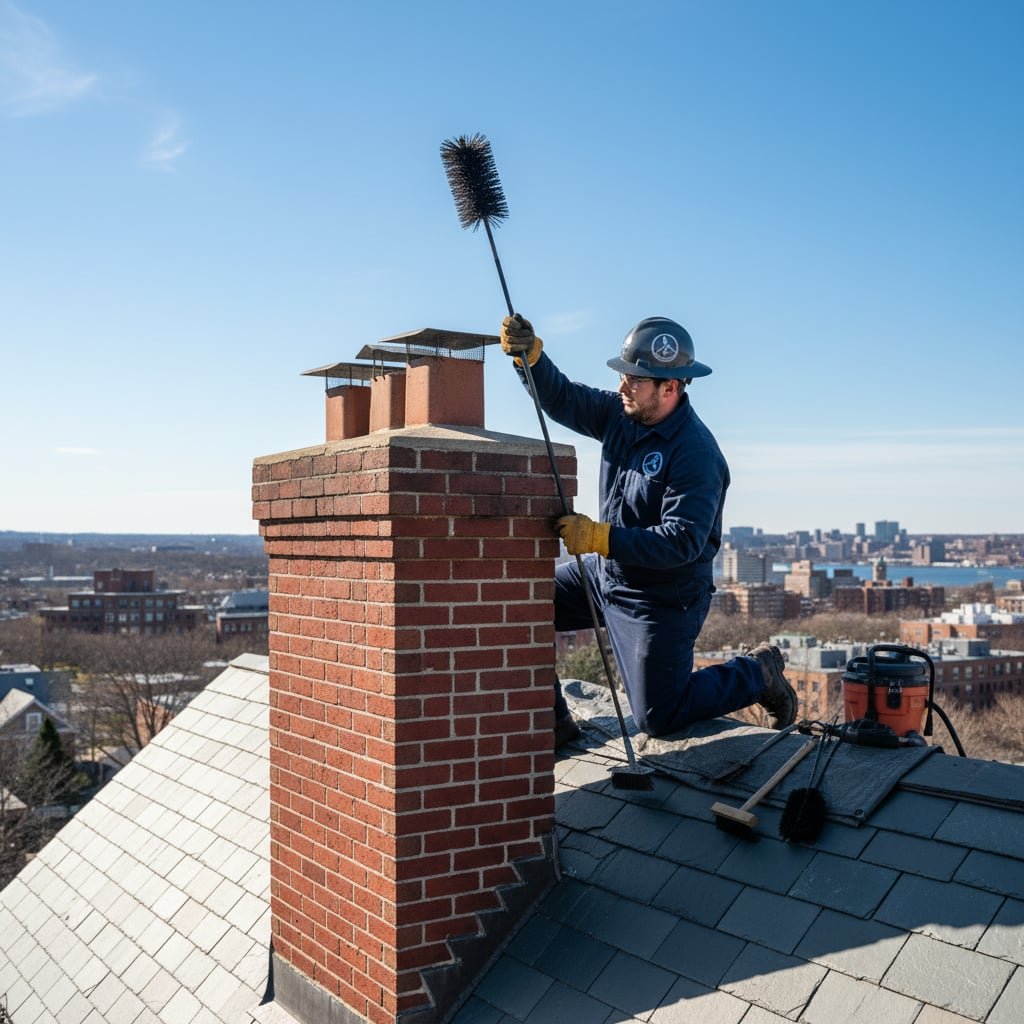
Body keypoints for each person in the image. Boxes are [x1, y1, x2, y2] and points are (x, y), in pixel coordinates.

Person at [499, 313, 797, 743]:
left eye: (634, 380)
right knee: (519, 604)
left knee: (658, 717)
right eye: (624, 376)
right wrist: (532, 359)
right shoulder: (622, 415)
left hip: (659, 600)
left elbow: (683, 541)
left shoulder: (696, 453)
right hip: (608, 578)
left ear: (669, 388)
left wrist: (601, 538)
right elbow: (564, 398)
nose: (623, 386)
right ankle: (554, 723)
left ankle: (757, 673)